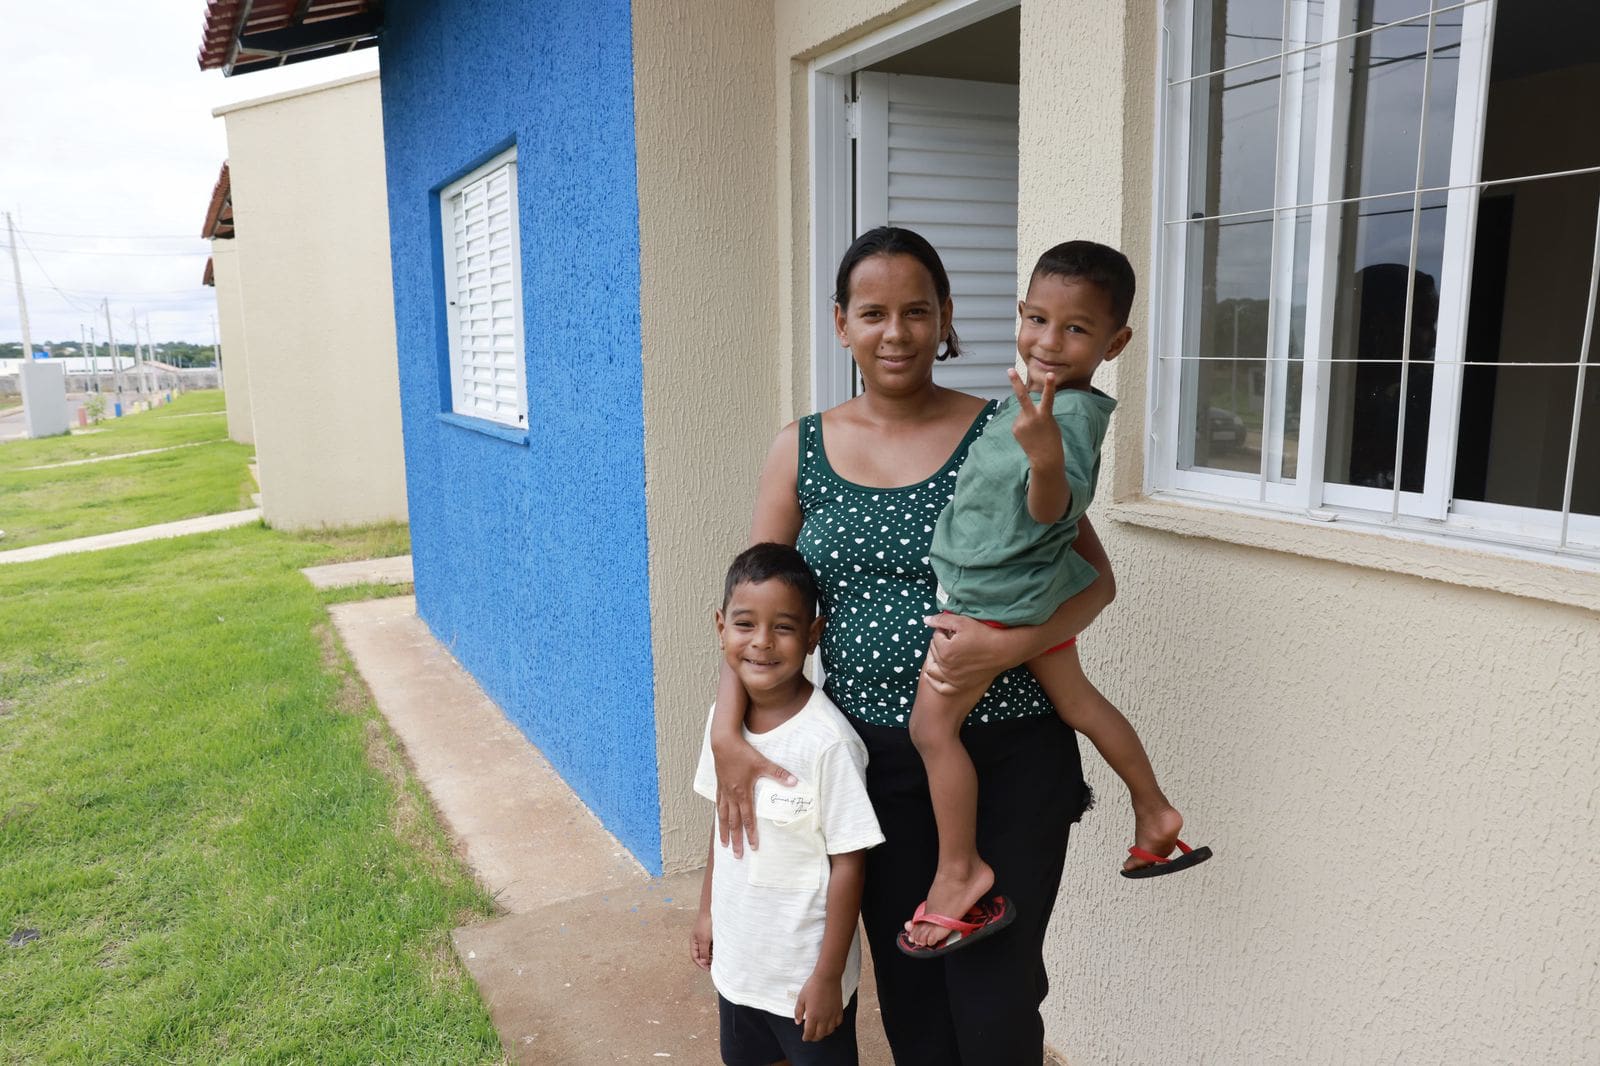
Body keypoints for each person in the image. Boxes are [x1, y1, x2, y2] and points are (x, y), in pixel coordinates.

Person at [711, 226, 1115, 1064]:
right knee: (914, 998)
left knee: (996, 998)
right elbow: (752, 606)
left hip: (1008, 755)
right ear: (841, 323)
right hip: (872, 767)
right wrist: (726, 729)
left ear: (946, 320)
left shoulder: (1007, 427)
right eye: (873, 313)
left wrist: (1003, 651)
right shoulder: (802, 448)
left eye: (916, 312)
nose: (895, 332)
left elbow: (1095, 583)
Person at [902, 241, 1208, 955]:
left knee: (930, 730)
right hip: (1030, 589)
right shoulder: (1046, 401)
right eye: (1038, 318)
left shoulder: (1064, 419)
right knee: (1079, 702)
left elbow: (1051, 509)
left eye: (1075, 329)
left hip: (994, 601)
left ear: (1115, 341)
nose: (1049, 340)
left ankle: (960, 872)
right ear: (1020, 312)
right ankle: (1155, 812)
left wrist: (1042, 455)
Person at [691, 543, 885, 1066]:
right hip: (739, 964)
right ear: (720, 626)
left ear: (812, 634)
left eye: (783, 627)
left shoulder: (829, 744)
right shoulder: (722, 724)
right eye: (745, 623)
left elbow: (849, 862)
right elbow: (721, 823)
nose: (761, 643)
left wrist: (827, 976)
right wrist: (708, 911)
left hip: (802, 975)